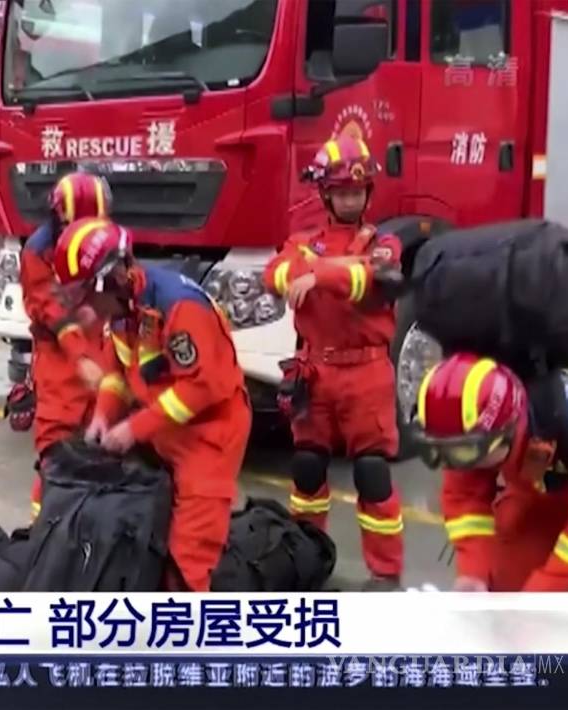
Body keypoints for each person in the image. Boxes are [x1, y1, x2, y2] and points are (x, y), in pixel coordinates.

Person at [54, 217, 251, 592]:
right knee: (146, 538)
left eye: (86, 294)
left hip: (208, 437)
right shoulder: (124, 312)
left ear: (112, 279)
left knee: (186, 562)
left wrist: (132, 429)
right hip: (164, 432)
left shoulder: (179, 307)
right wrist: (102, 416)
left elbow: (200, 389)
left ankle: (190, 645)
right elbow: (118, 375)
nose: (85, 308)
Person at [262, 134, 405, 589]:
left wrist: (318, 272)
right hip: (316, 372)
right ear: (325, 193)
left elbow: (374, 277)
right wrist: (304, 269)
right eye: (341, 191)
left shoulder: (382, 243)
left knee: (372, 473)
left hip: (366, 372)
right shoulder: (303, 239)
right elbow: (274, 275)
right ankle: (307, 560)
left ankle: (385, 573)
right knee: (306, 468)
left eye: (357, 192)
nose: (349, 199)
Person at [416, 353, 568, 592]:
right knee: (504, 590)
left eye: (463, 452)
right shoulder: (468, 431)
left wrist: (538, 598)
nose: (457, 464)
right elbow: (464, 498)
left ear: (507, 432)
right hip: (543, 491)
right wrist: (473, 573)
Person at [21, 171, 113, 520]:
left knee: (101, 444)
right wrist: (81, 358)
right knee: (56, 449)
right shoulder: (38, 252)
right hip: (59, 355)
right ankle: (44, 529)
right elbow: (52, 311)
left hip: (103, 345)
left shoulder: (108, 239)